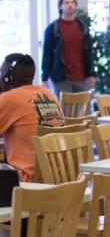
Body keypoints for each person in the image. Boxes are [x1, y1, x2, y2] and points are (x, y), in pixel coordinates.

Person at [0, 53, 64, 182]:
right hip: (58, 178)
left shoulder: (10, 99)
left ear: (8, 77)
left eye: (1, 73)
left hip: (27, 182)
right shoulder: (49, 94)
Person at [42, 0, 96, 96]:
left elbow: (89, 53)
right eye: (66, 2)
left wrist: (91, 74)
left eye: (72, 2)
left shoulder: (82, 27)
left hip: (82, 78)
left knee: (84, 111)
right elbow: (47, 54)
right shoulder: (53, 29)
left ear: (75, 5)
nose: (69, 5)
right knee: (65, 111)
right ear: (60, 6)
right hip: (61, 78)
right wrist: (45, 78)